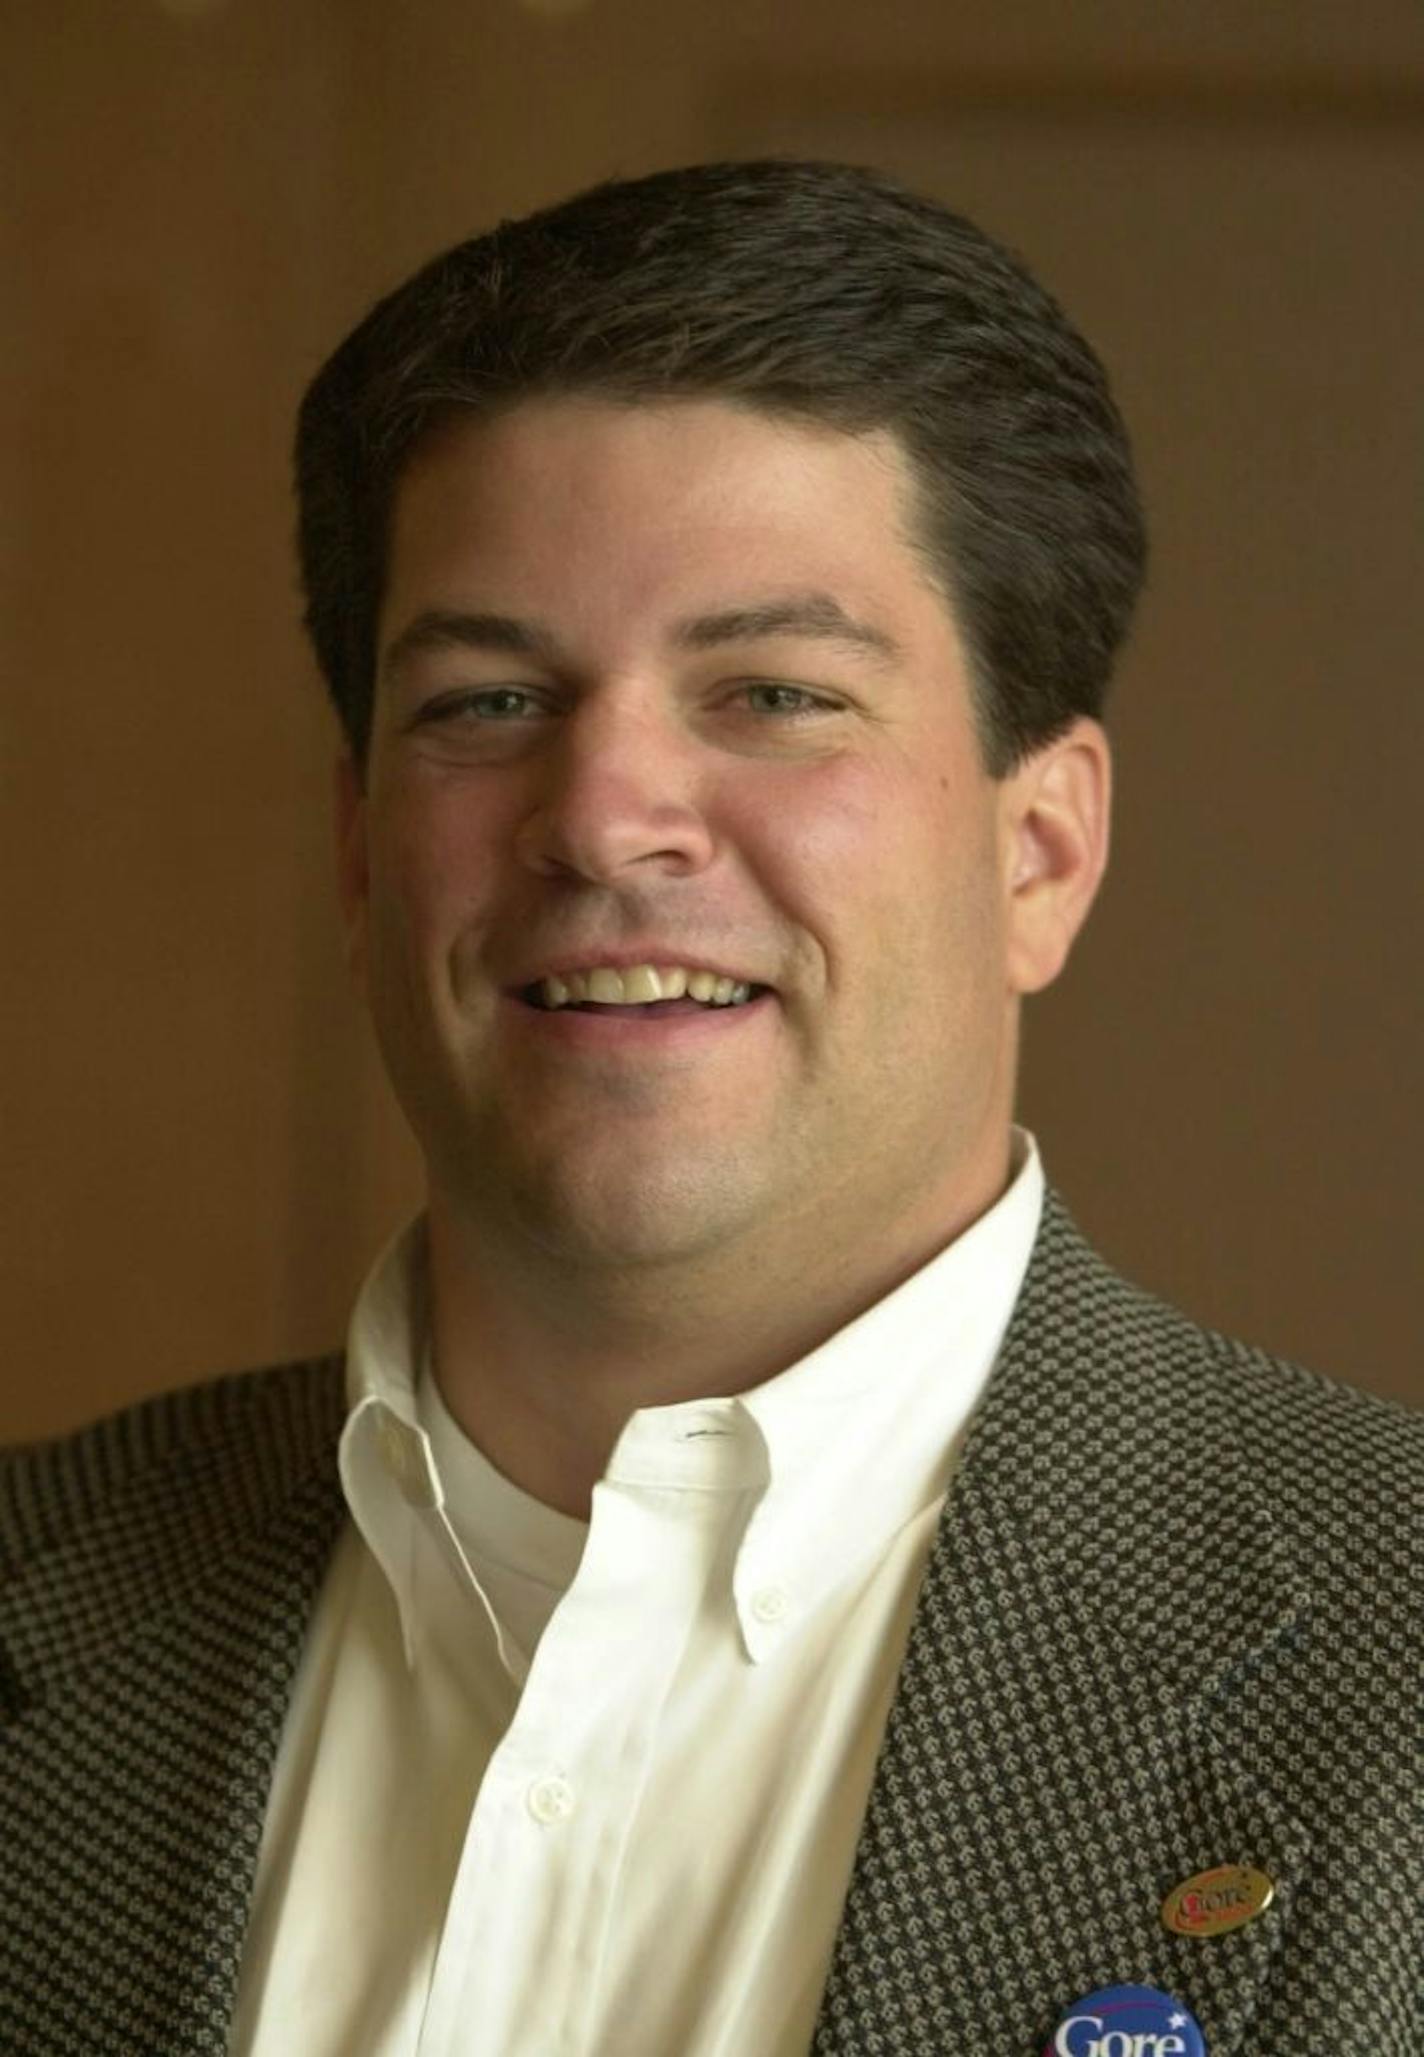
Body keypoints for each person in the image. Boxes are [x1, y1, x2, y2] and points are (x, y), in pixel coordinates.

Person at [1, 160, 1418, 2057]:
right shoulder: (43, 1589)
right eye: (490, 702)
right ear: (359, 855)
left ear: (1044, 850)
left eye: (771, 691)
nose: (600, 815)